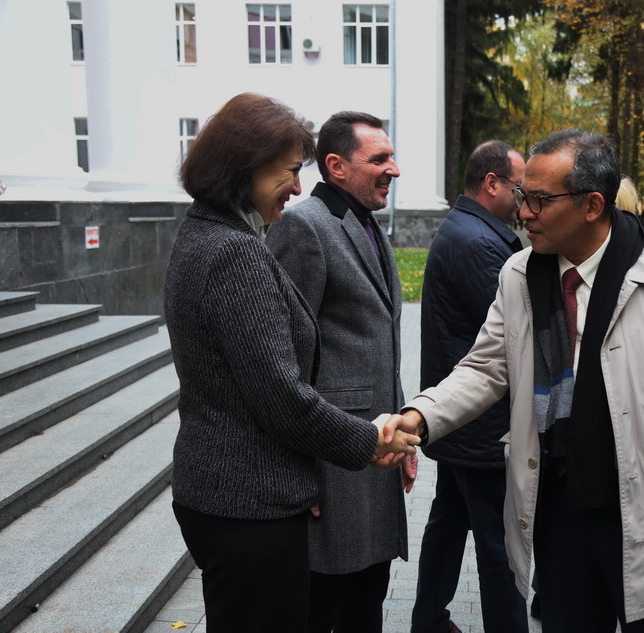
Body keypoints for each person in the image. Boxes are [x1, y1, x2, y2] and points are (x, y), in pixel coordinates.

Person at [387, 129, 644, 632]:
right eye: (521, 197)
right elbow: (485, 367)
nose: (524, 212)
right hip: (559, 508)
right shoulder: (520, 274)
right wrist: (418, 417)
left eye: (539, 200)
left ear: (592, 205)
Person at [163, 93, 418, 633]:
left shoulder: (207, 234)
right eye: (286, 171)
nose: (298, 187)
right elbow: (280, 391)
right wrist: (365, 441)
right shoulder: (234, 251)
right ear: (247, 166)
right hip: (250, 500)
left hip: (232, 493)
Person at [264, 111, 412, 633]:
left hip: (373, 457)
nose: (394, 169)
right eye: (380, 159)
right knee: (325, 605)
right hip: (332, 466)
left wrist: (402, 439)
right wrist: (301, 474)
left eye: (391, 156)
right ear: (337, 166)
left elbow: (380, 343)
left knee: (366, 598)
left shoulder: (366, 222)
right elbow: (284, 365)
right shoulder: (305, 227)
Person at [412, 140, 529, 633]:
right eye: (520, 188)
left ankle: (428, 620)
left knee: (447, 524)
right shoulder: (478, 242)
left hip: (464, 425)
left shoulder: (472, 231)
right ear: (493, 183)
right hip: (480, 425)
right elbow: (513, 334)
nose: (525, 200)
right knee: (499, 546)